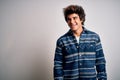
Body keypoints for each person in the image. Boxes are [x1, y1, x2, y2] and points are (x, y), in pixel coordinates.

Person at [54, 5, 107, 80]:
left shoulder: (94, 37)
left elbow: (100, 61)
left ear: (81, 19)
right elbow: (58, 65)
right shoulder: (61, 41)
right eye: (69, 19)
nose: (72, 22)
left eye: (75, 18)